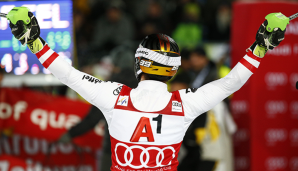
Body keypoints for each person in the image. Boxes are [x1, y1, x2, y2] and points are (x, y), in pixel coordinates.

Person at [9, 9, 286, 171]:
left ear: (138, 62)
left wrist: (33, 42)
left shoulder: (114, 96)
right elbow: (230, 82)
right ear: (174, 70)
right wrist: (260, 47)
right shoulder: (185, 103)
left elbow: (67, 74)